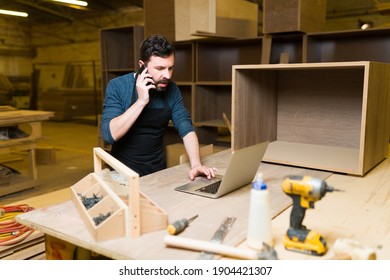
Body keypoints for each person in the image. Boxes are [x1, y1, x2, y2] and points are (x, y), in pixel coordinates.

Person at [101, 34, 216, 180]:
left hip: (157, 171)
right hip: (121, 173)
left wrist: (196, 164)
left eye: (170, 68)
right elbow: (109, 134)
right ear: (142, 66)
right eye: (160, 68)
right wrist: (141, 101)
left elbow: (186, 128)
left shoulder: (172, 89)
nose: (167, 75)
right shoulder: (118, 86)